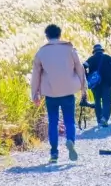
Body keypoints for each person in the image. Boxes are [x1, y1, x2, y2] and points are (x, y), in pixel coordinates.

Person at [31, 24, 87, 164]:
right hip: (68, 92)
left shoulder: (41, 52)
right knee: (69, 120)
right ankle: (70, 141)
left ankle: (54, 153)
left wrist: (35, 94)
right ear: (59, 34)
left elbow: (36, 75)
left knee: (53, 122)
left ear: (47, 36)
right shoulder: (69, 49)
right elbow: (79, 68)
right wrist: (83, 87)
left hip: (51, 93)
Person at [83, 43, 111, 127]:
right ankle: (104, 118)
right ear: (102, 50)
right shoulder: (108, 57)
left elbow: (83, 66)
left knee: (97, 101)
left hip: (95, 84)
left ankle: (99, 119)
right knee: (106, 101)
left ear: (94, 51)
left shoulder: (91, 58)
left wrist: (87, 77)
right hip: (107, 82)